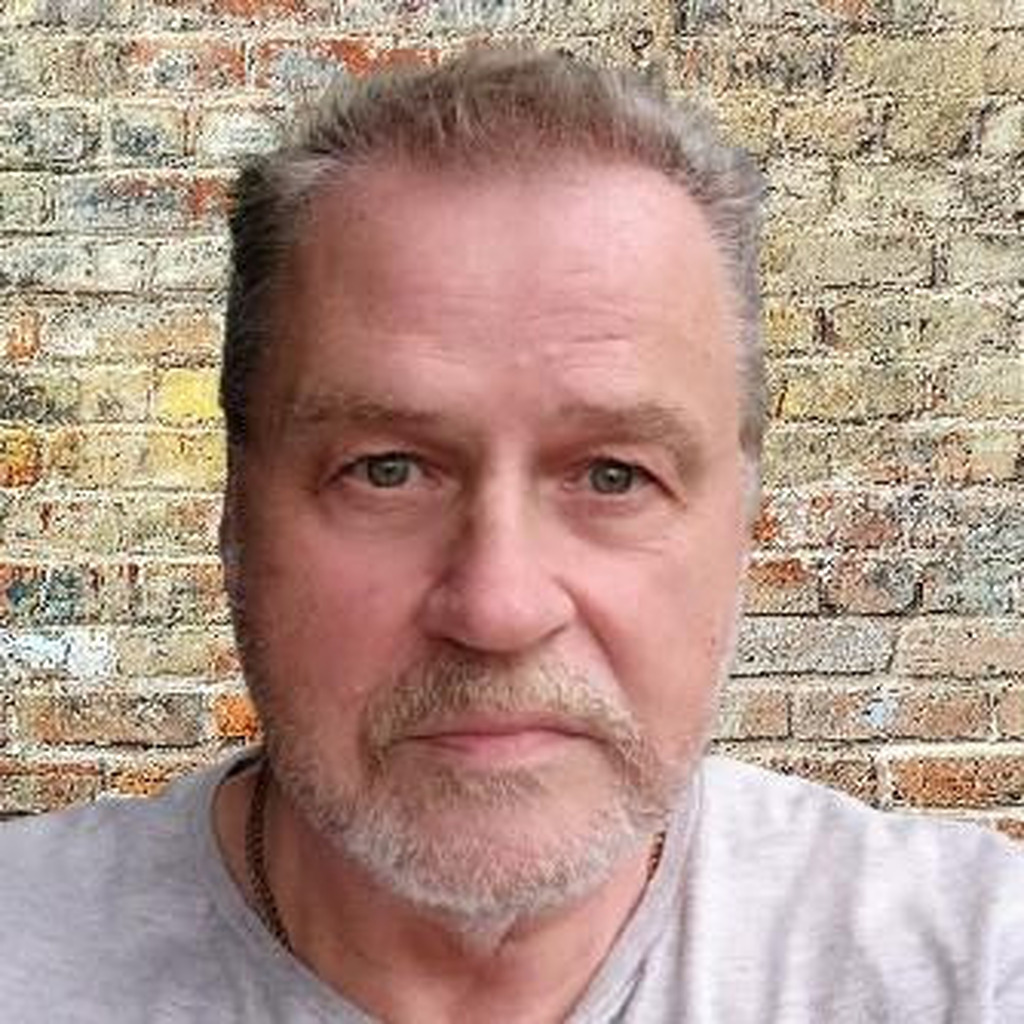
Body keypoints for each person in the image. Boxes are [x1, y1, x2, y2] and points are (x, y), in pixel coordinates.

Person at [1, 48, 1022, 1023]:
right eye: (386, 469)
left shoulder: (973, 964)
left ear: (743, 528)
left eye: (614, 475)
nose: (497, 608)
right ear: (235, 517)